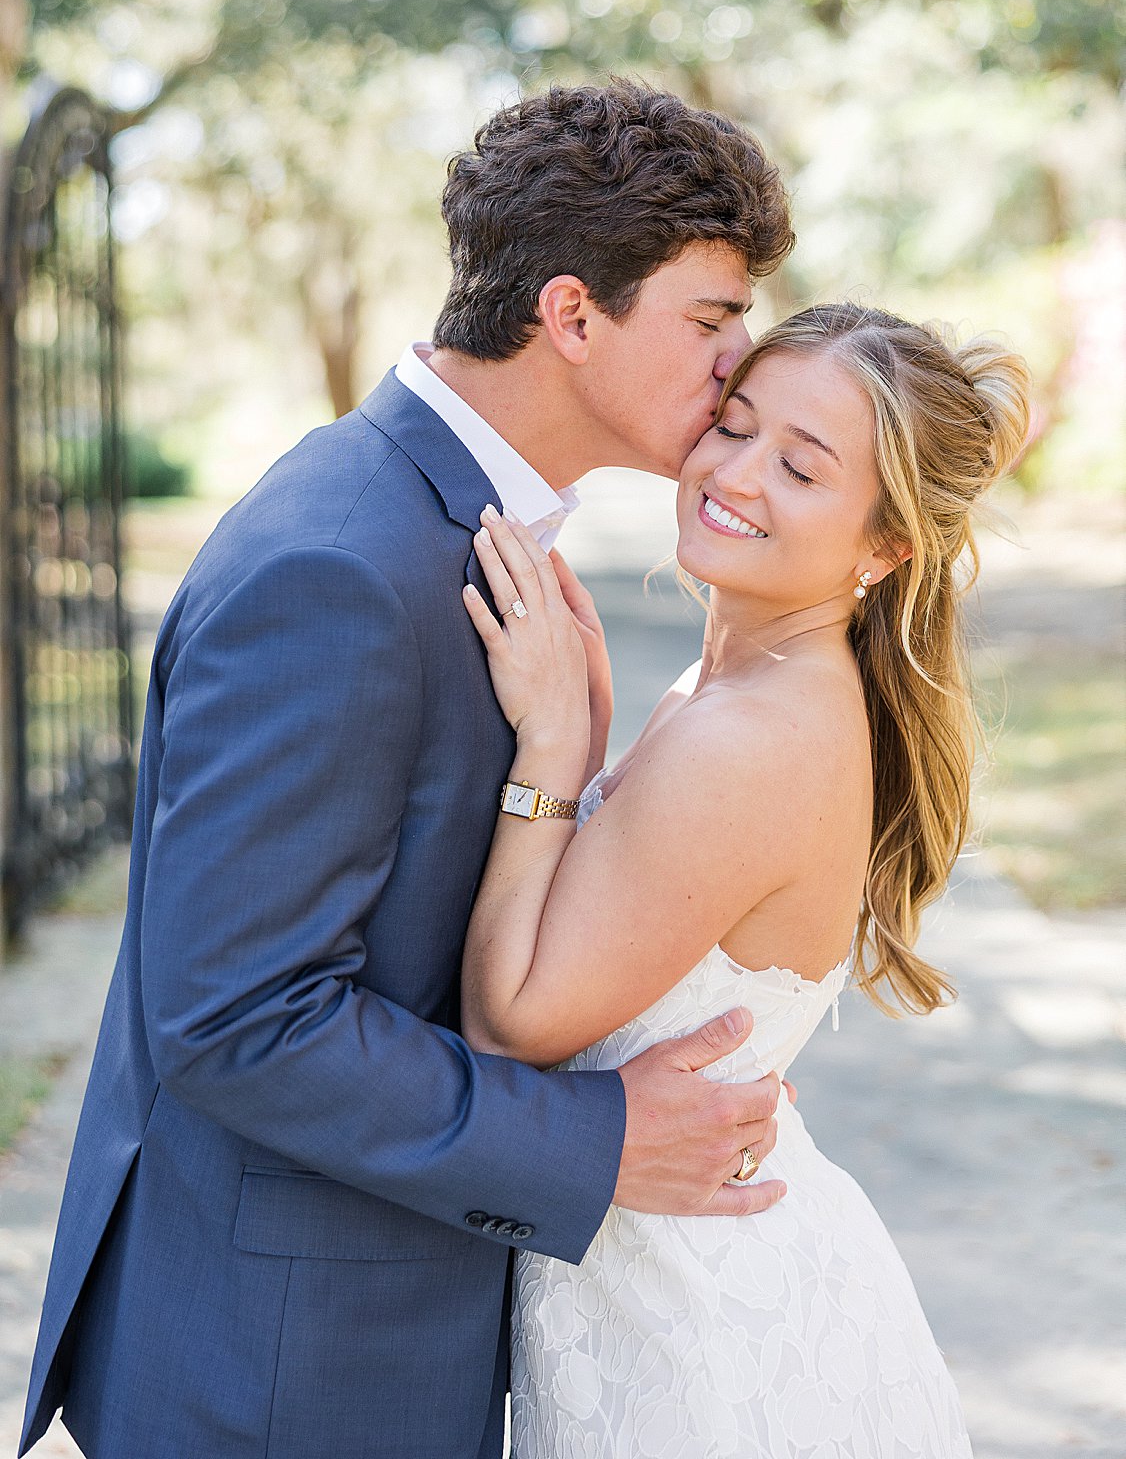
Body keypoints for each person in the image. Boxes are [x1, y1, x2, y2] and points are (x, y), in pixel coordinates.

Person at [21, 80, 797, 1459]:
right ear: (572, 315)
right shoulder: (340, 565)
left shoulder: (447, 521)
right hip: (282, 1375)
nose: (740, 363)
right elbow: (237, 1014)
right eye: (711, 319)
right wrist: (595, 1141)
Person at [459, 302, 1032, 1457]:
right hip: (681, 1286)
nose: (734, 473)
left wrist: (554, 752)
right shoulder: (733, 687)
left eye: (801, 466)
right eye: (733, 424)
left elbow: (509, 1015)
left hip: (698, 1343)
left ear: (884, 545)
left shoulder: (752, 735)